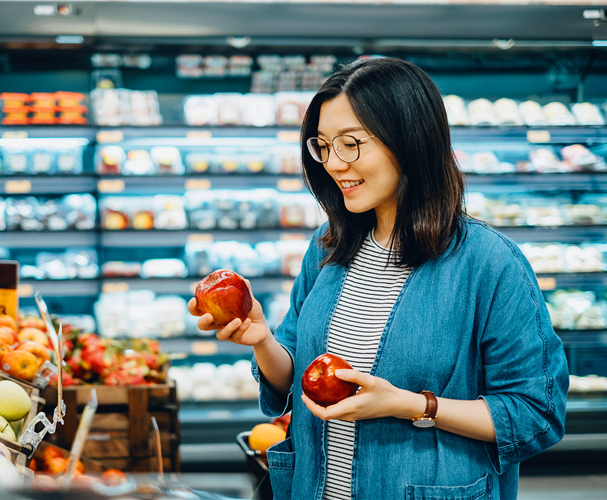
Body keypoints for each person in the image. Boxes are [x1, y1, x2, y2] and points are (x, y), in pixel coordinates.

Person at [188, 57, 569, 500]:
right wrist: (262, 340)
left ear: (409, 140)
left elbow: (535, 412)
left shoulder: (488, 263)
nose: (333, 163)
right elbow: (294, 377)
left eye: (351, 143)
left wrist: (410, 405)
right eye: (324, 145)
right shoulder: (328, 247)